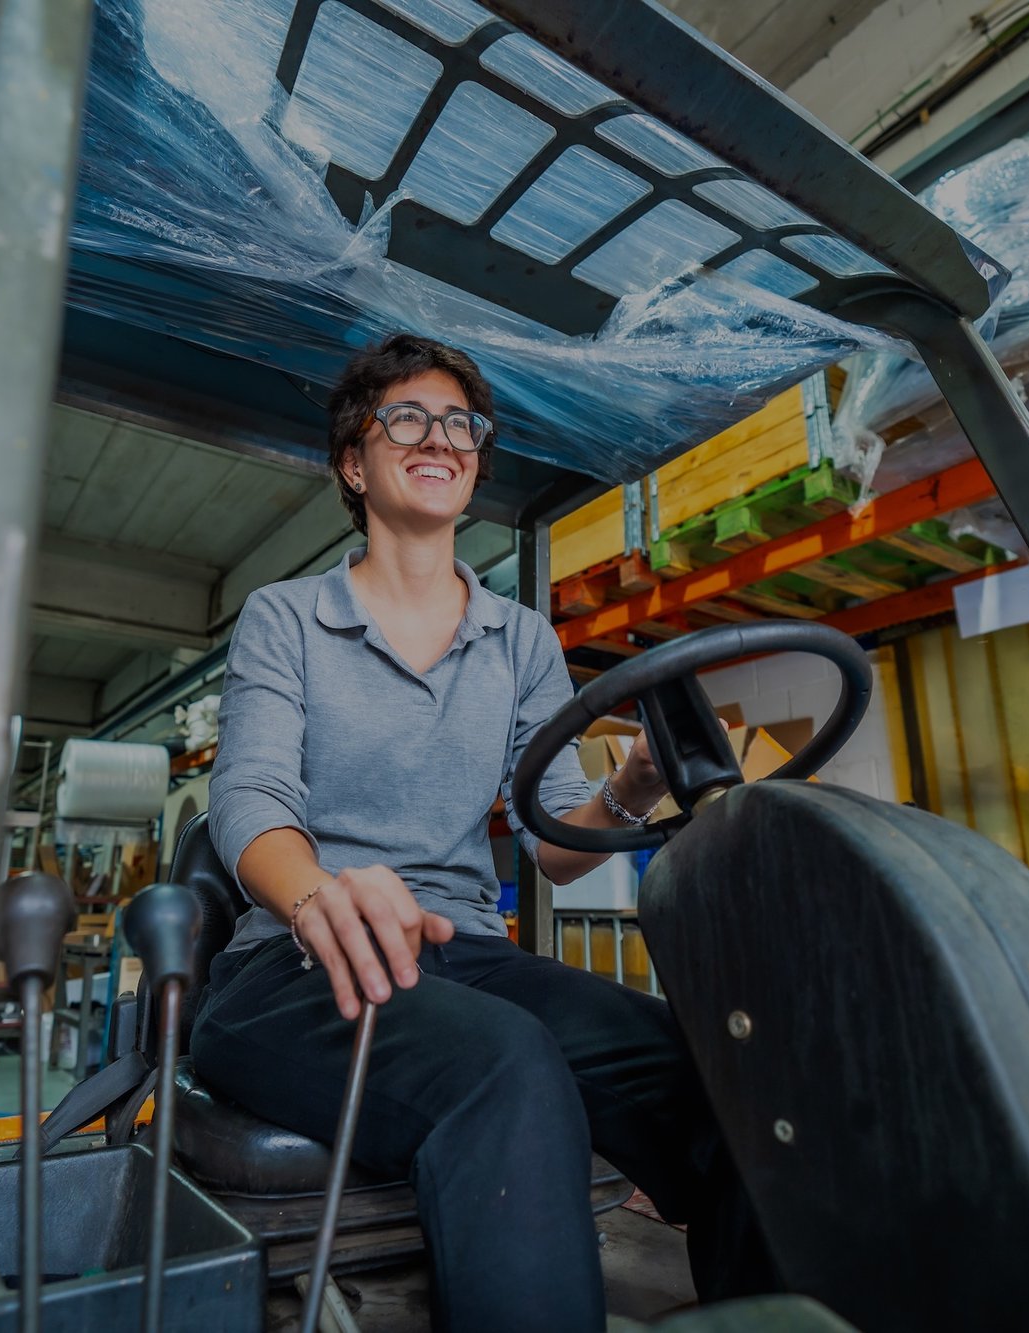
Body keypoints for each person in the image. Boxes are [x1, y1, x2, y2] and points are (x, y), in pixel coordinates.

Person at [196, 333, 776, 1330]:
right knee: (506, 1061)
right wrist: (318, 895)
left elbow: (554, 846)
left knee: (727, 1081)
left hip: (462, 954)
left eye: (460, 424)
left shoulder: (520, 639)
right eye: (406, 419)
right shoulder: (285, 617)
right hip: (299, 961)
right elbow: (249, 798)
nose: (439, 438)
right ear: (353, 463)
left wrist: (634, 785)